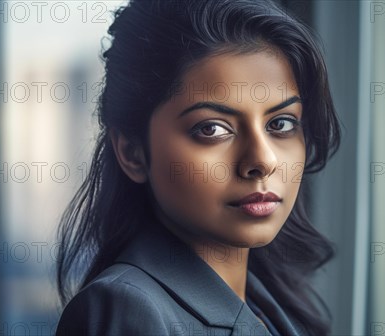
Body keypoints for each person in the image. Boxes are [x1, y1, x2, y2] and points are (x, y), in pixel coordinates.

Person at [55, 0, 341, 335]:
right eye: (212, 129)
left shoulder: (269, 302)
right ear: (133, 153)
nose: (263, 161)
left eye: (280, 123)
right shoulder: (128, 307)